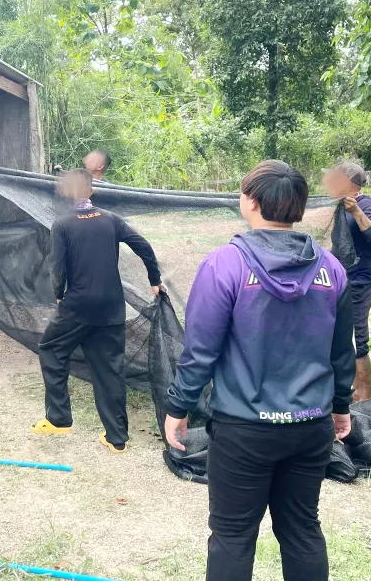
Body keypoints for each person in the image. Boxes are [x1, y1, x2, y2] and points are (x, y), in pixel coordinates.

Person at [164, 160, 354, 581]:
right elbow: (343, 352)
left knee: (232, 536)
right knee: (302, 530)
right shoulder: (332, 269)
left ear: (249, 202)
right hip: (310, 426)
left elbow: (200, 350)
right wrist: (341, 406)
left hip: (243, 430)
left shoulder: (224, 265)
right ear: (298, 206)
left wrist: (178, 407)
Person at [33, 168, 163, 452]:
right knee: (109, 369)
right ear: (92, 190)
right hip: (111, 306)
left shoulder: (62, 224)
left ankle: (59, 419)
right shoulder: (111, 220)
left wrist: (59, 294)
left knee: (51, 349)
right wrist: (155, 279)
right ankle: (117, 439)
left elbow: (57, 268)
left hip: (78, 307)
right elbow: (143, 245)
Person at [322, 160, 371, 401]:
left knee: (358, 340)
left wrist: (356, 211)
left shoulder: (366, 205)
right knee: (340, 337)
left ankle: (364, 399)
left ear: (348, 182)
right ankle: (348, 394)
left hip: (360, 283)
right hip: (340, 282)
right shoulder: (337, 206)